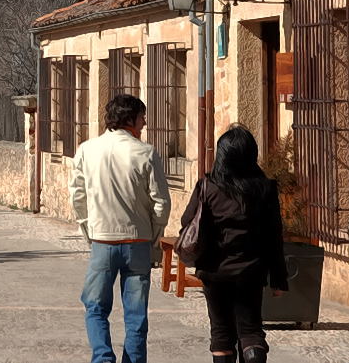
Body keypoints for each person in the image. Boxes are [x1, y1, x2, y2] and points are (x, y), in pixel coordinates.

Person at [69, 94, 170, 363]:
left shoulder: (87, 150)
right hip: (137, 240)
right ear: (130, 119)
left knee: (95, 306)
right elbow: (161, 201)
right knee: (136, 313)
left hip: (103, 239)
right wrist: (155, 235)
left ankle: (102, 357)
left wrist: (87, 229)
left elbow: (77, 196)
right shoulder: (145, 152)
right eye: (141, 117)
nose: (145, 122)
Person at [182, 125, 287, 363]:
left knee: (221, 333)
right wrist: (278, 279)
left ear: (222, 156)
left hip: (214, 270)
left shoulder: (207, 187)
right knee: (250, 330)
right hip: (252, 270)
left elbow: (187, 222)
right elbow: (274, 236)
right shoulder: (265, 188)